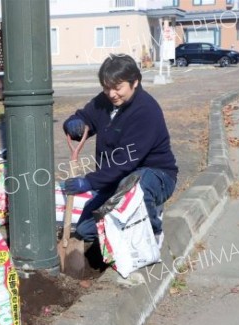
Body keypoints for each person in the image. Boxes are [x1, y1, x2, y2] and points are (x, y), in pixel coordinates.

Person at [62, 54, 178, 247]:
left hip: (156, 176)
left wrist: (89, 181)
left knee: (137, 184)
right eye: (106, 87)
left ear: (135, 82)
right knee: (85, 229)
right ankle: (129, 226)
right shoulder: (105, 101)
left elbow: (125, 161)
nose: (112, 93)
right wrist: (75, 123)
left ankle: (153, 231)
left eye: (117, 88)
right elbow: (85, 117)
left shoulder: (145, 110)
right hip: (116, 180)